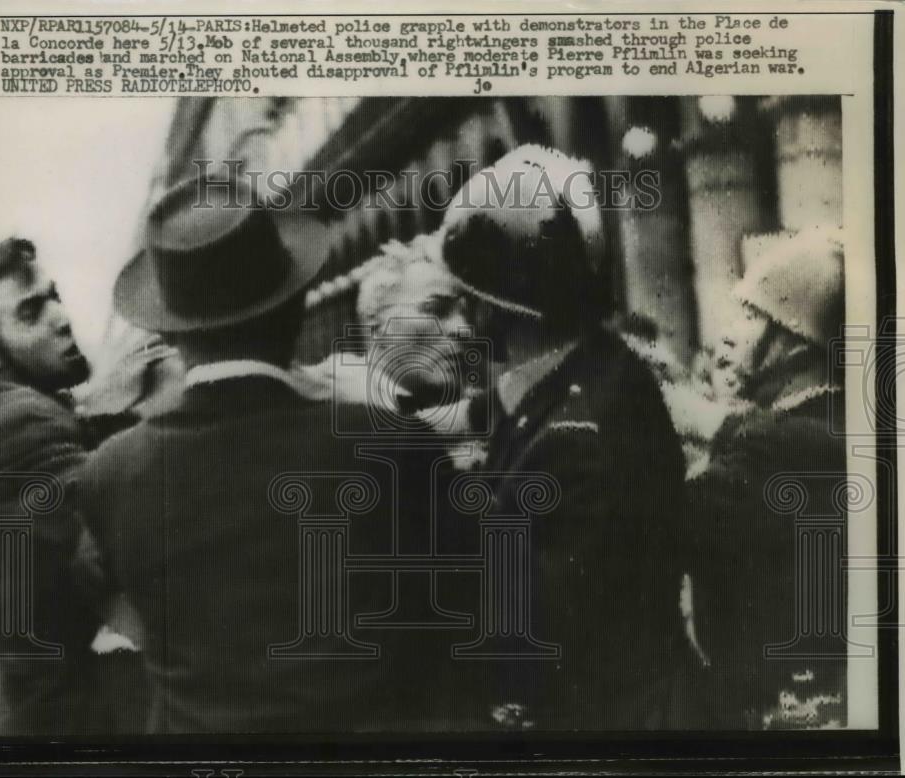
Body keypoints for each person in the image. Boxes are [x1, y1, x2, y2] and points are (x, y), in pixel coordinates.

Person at [80, 175, 450, 733]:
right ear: (297, 305)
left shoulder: (109, 472)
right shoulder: (390, 442)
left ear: (172, 332)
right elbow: (459, 622)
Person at [437, 145, 688, 729]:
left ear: (491, 312)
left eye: (459, 305)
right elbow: (499, 413)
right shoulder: (591, 370)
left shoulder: (574, 438)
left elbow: (533, 630)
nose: (451, 327)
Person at [0, 238, 143, 734]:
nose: (62, 318)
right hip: (58, 718)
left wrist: (112, 414)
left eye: (54, 296)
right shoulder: (21, 420)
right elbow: (123, 537)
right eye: (31, 311)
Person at [685, 227, 847, 729]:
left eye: (753, 316)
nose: (729, 332)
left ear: (797, 346)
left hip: (774, 720)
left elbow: (654, 525)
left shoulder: (779, 446)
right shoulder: (828, 424)